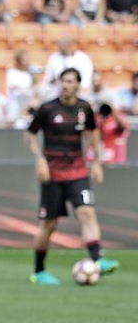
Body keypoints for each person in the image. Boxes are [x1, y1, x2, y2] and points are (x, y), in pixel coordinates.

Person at [25, 67, 119, 286]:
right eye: (63, 81)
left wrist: (96, 162)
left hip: (77, 171)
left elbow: (93, 131)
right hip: (52, 174)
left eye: (70, 82)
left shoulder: (84, 108)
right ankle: (38, 271)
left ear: (78, 85)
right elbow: (30, 134)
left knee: (87, 212)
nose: (65, 85)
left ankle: (97, 259)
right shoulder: (48, 109)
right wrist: (39, 159)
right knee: (49, 224)